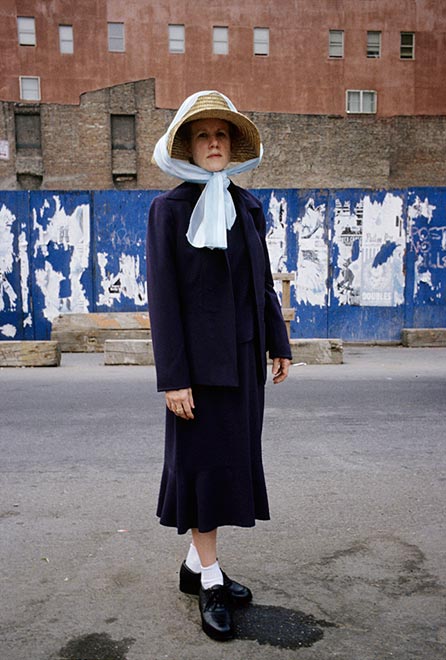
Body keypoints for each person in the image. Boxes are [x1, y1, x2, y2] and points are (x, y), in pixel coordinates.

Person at [146, 90, 292, 642]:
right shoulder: (167, 211)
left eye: (222, 134)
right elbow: (163, 300)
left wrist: (278, 342)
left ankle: (195, 566)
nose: (213, 143)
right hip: (197, 373)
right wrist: (174, 378)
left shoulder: (248, 207)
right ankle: (209, 580)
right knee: (203, 471)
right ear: (187, 146)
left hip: (244, 364)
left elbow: (262, 283)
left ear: (232, 146)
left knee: (229, 466)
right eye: (203, 135)